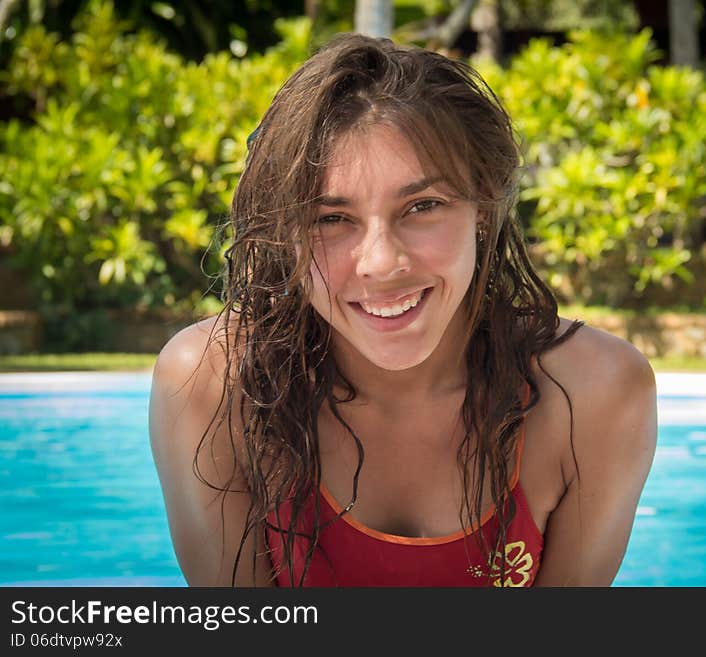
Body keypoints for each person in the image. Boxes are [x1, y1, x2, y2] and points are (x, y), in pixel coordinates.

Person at [148, 32, 657, 587]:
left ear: (483, 207)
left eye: (423, 206)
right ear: (286, 233)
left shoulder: (591, 394)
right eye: (331, 218)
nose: (381, 262)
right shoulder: (216, 384)